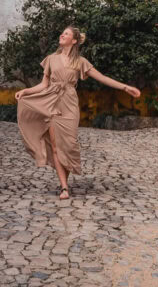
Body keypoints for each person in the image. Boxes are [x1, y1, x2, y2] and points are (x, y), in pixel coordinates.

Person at [15, 25, 141, 199]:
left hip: (69, 104)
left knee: (68, 144)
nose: (61, 35)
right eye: (62, 32)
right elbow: (43, 84)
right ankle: (64, 187)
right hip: (51, 102)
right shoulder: (51, 59)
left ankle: (65, 181)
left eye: (65, 33)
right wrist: (26, 91)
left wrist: (125, 87)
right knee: (56, 144)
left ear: (73, 40)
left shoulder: (80, 62)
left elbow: (102, 78)